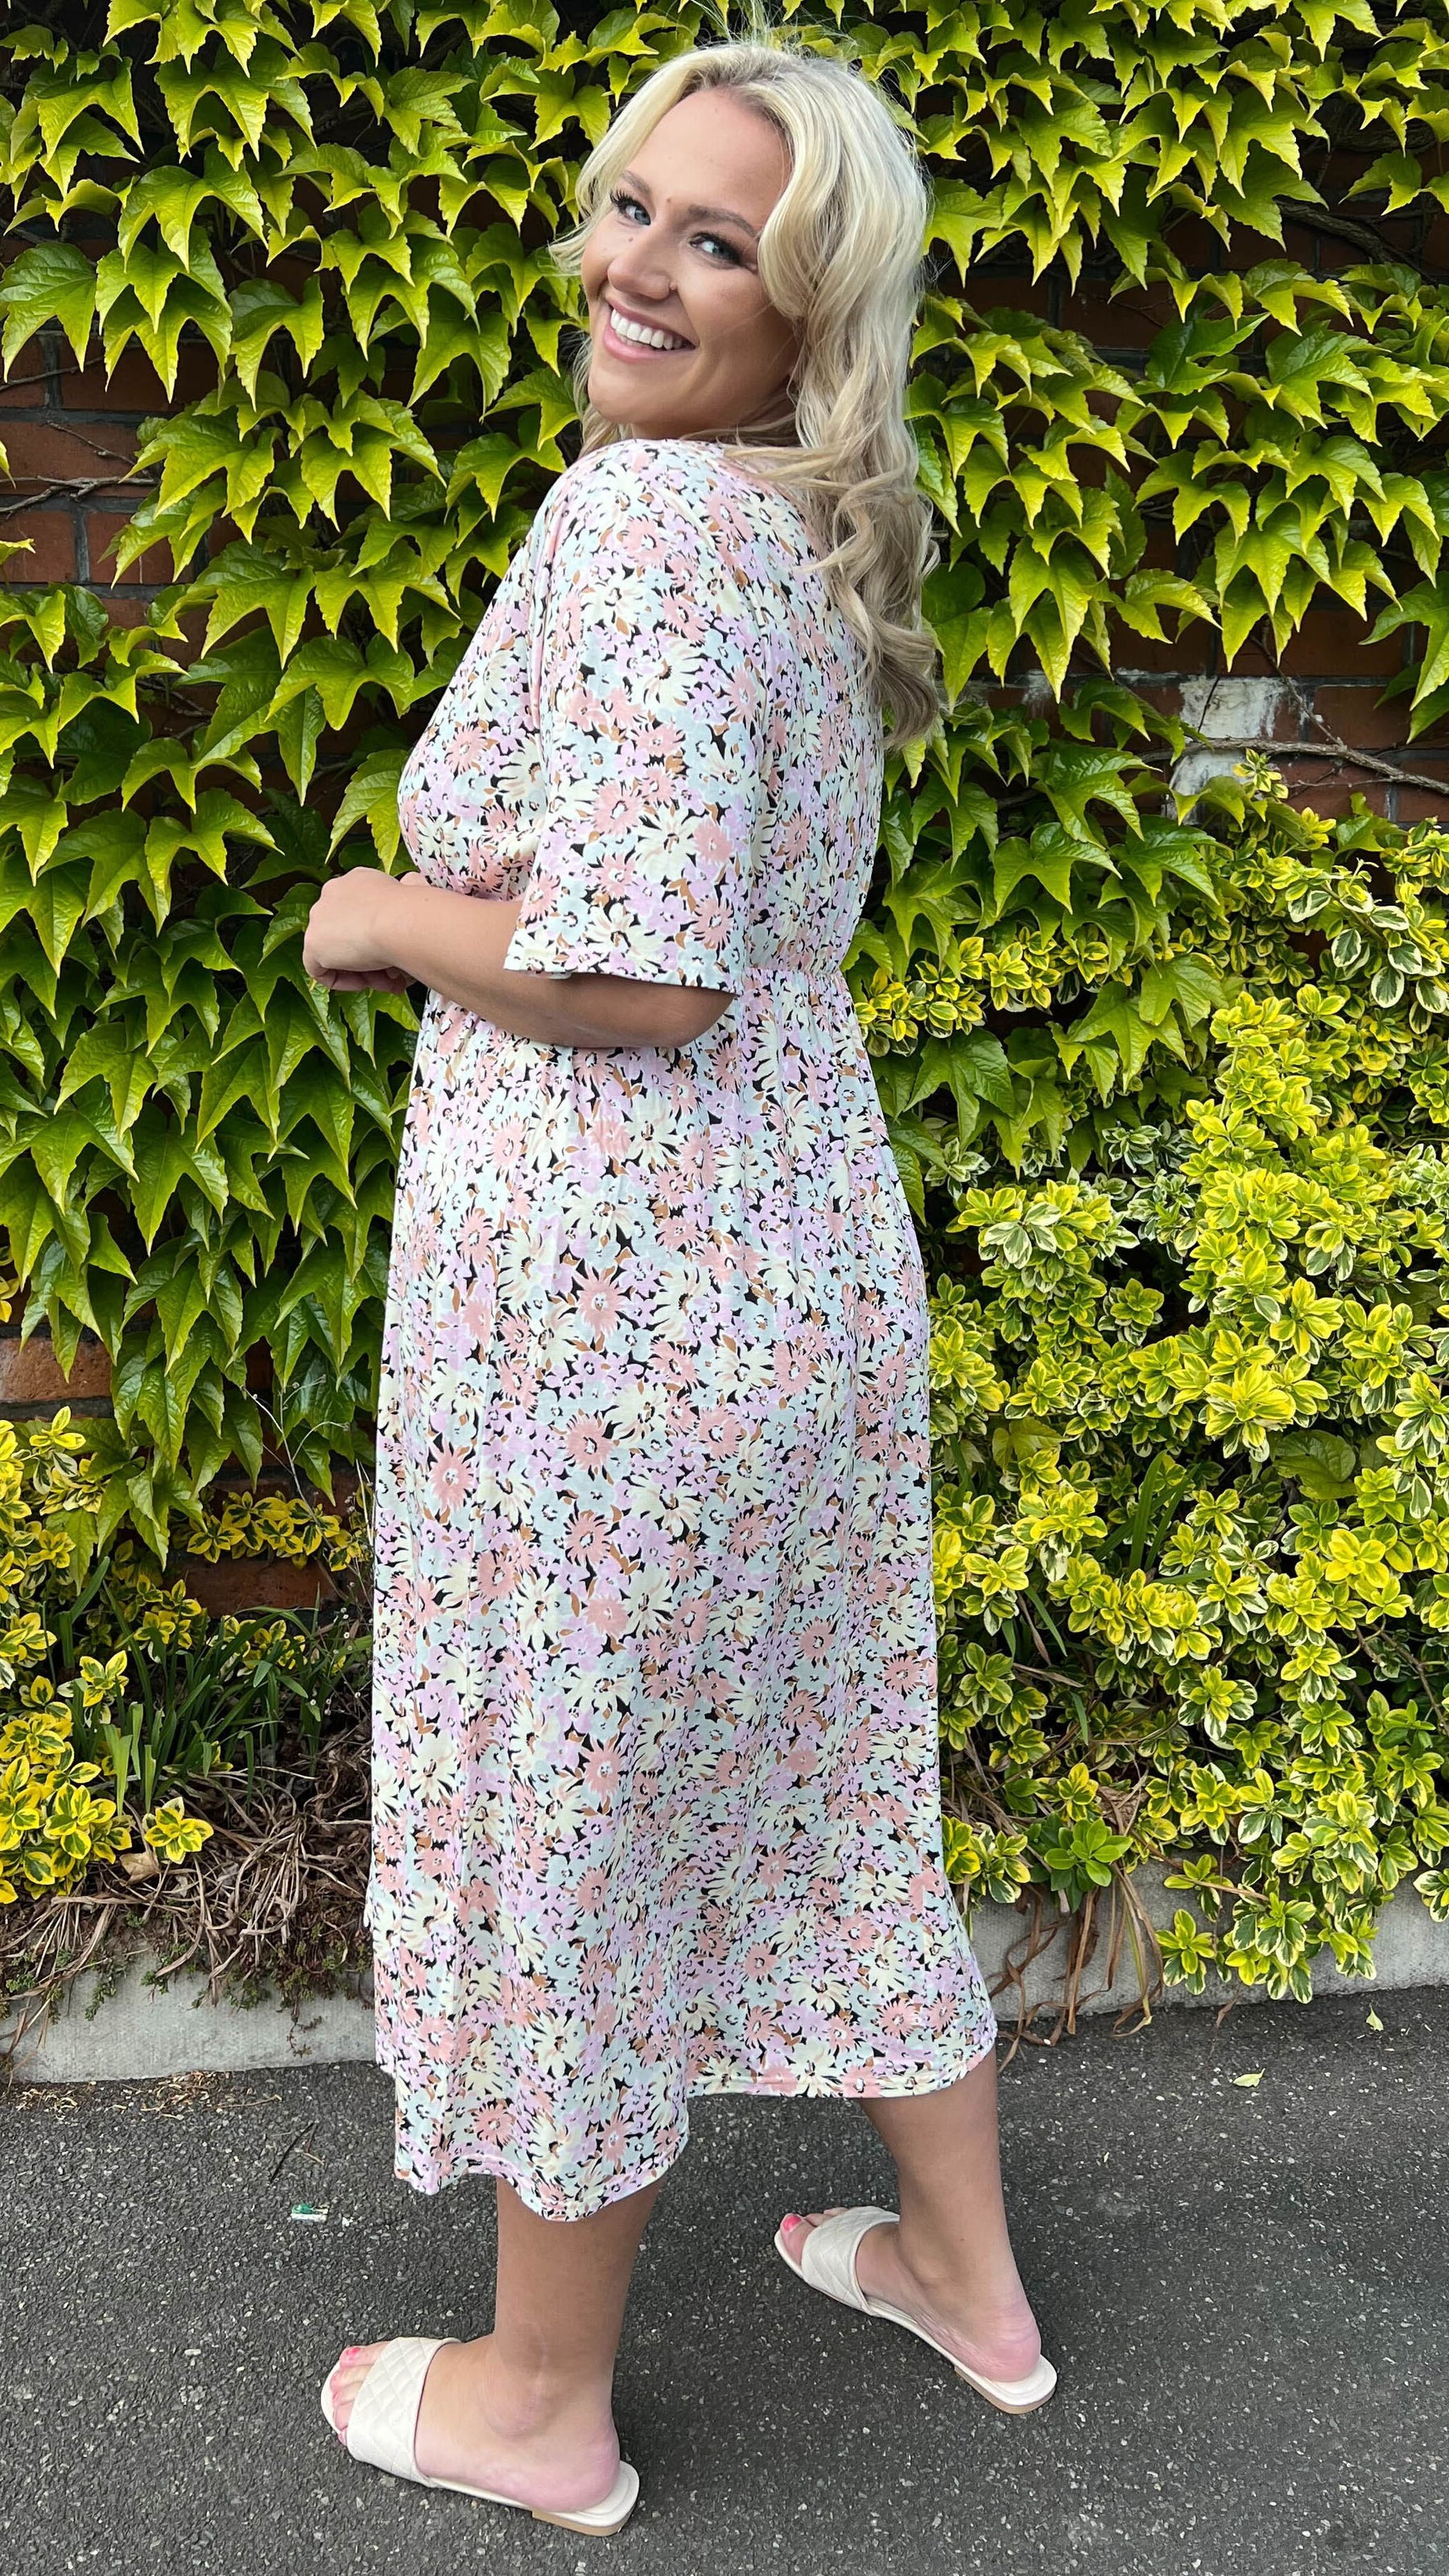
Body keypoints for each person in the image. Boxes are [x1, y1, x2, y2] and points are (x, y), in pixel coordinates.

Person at [302, 20, 1053, 2540]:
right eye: (637, 203)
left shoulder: (639, 522)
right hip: (793, 1272)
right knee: (834, 1772)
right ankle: (971, 2285)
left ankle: (541, 2399)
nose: (642, 264)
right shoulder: (792, 532)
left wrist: (376, 917)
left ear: (807, 306)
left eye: (721, 242)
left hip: (612, 1314)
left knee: (576, 1818)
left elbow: (638, 971)